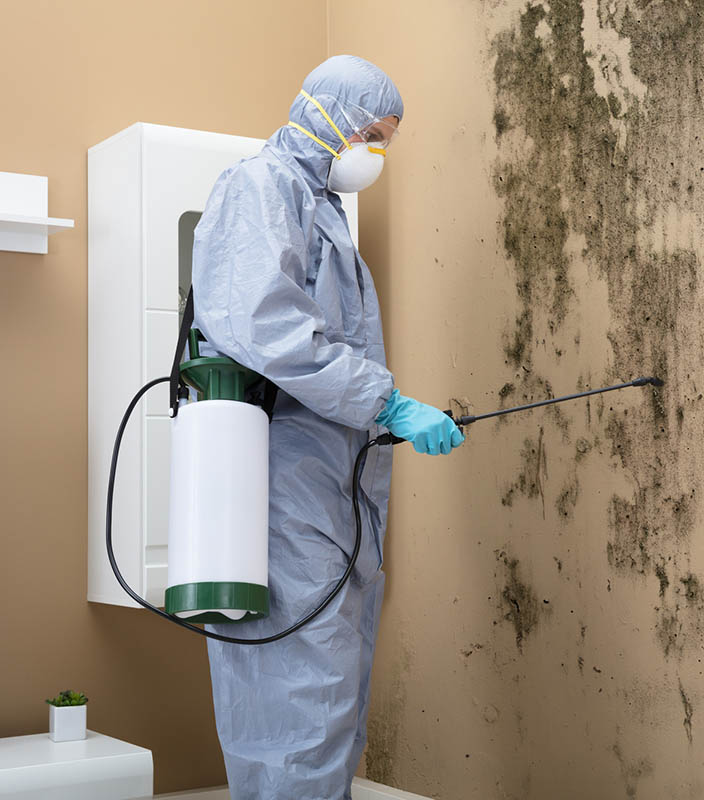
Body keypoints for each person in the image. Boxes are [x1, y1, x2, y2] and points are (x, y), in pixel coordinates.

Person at [191, 55, 463, 799]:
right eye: (371, 133)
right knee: (297, 696)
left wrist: (382, 418)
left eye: (386, 140)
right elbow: (265, 325)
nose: (375, 153)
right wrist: (387, 403)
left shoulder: (318, 208)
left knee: (331, 692)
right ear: (327, 115)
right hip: (283, 491)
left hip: (328, 490)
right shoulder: (260, 188)